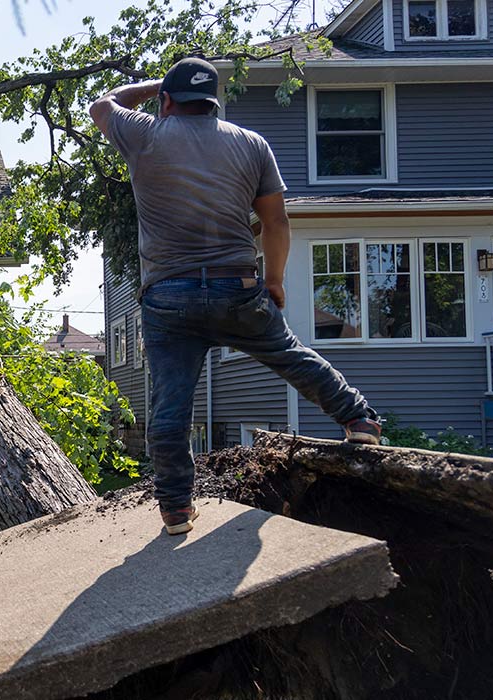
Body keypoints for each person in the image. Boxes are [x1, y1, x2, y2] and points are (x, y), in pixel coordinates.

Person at [90, 57, 382, 536]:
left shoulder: (145, 134)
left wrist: (153, 84)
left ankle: (177, 510)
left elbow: (104, 103)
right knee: (290, 355)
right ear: (214, 103)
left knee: (170, 404)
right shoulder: (251, 144)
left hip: (168, 297)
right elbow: (276, 222)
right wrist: (275, 279)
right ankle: (359, 420)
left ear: (167, 101)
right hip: (237, 286)